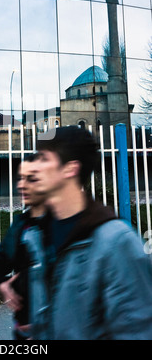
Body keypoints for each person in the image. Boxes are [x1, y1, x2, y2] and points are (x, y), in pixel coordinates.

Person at [35, 125, 152, 340]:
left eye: (43, 159)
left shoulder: (116, 243)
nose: (33, 167)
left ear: (70, 169)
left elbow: (136, 331)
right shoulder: (41, 232)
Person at [0, 154, 51, 340]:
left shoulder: (61, 225)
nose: (22, 185)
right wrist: (1, 285)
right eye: (20, 178)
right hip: (25, 332)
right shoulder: (21, 225)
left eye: (31, 179)